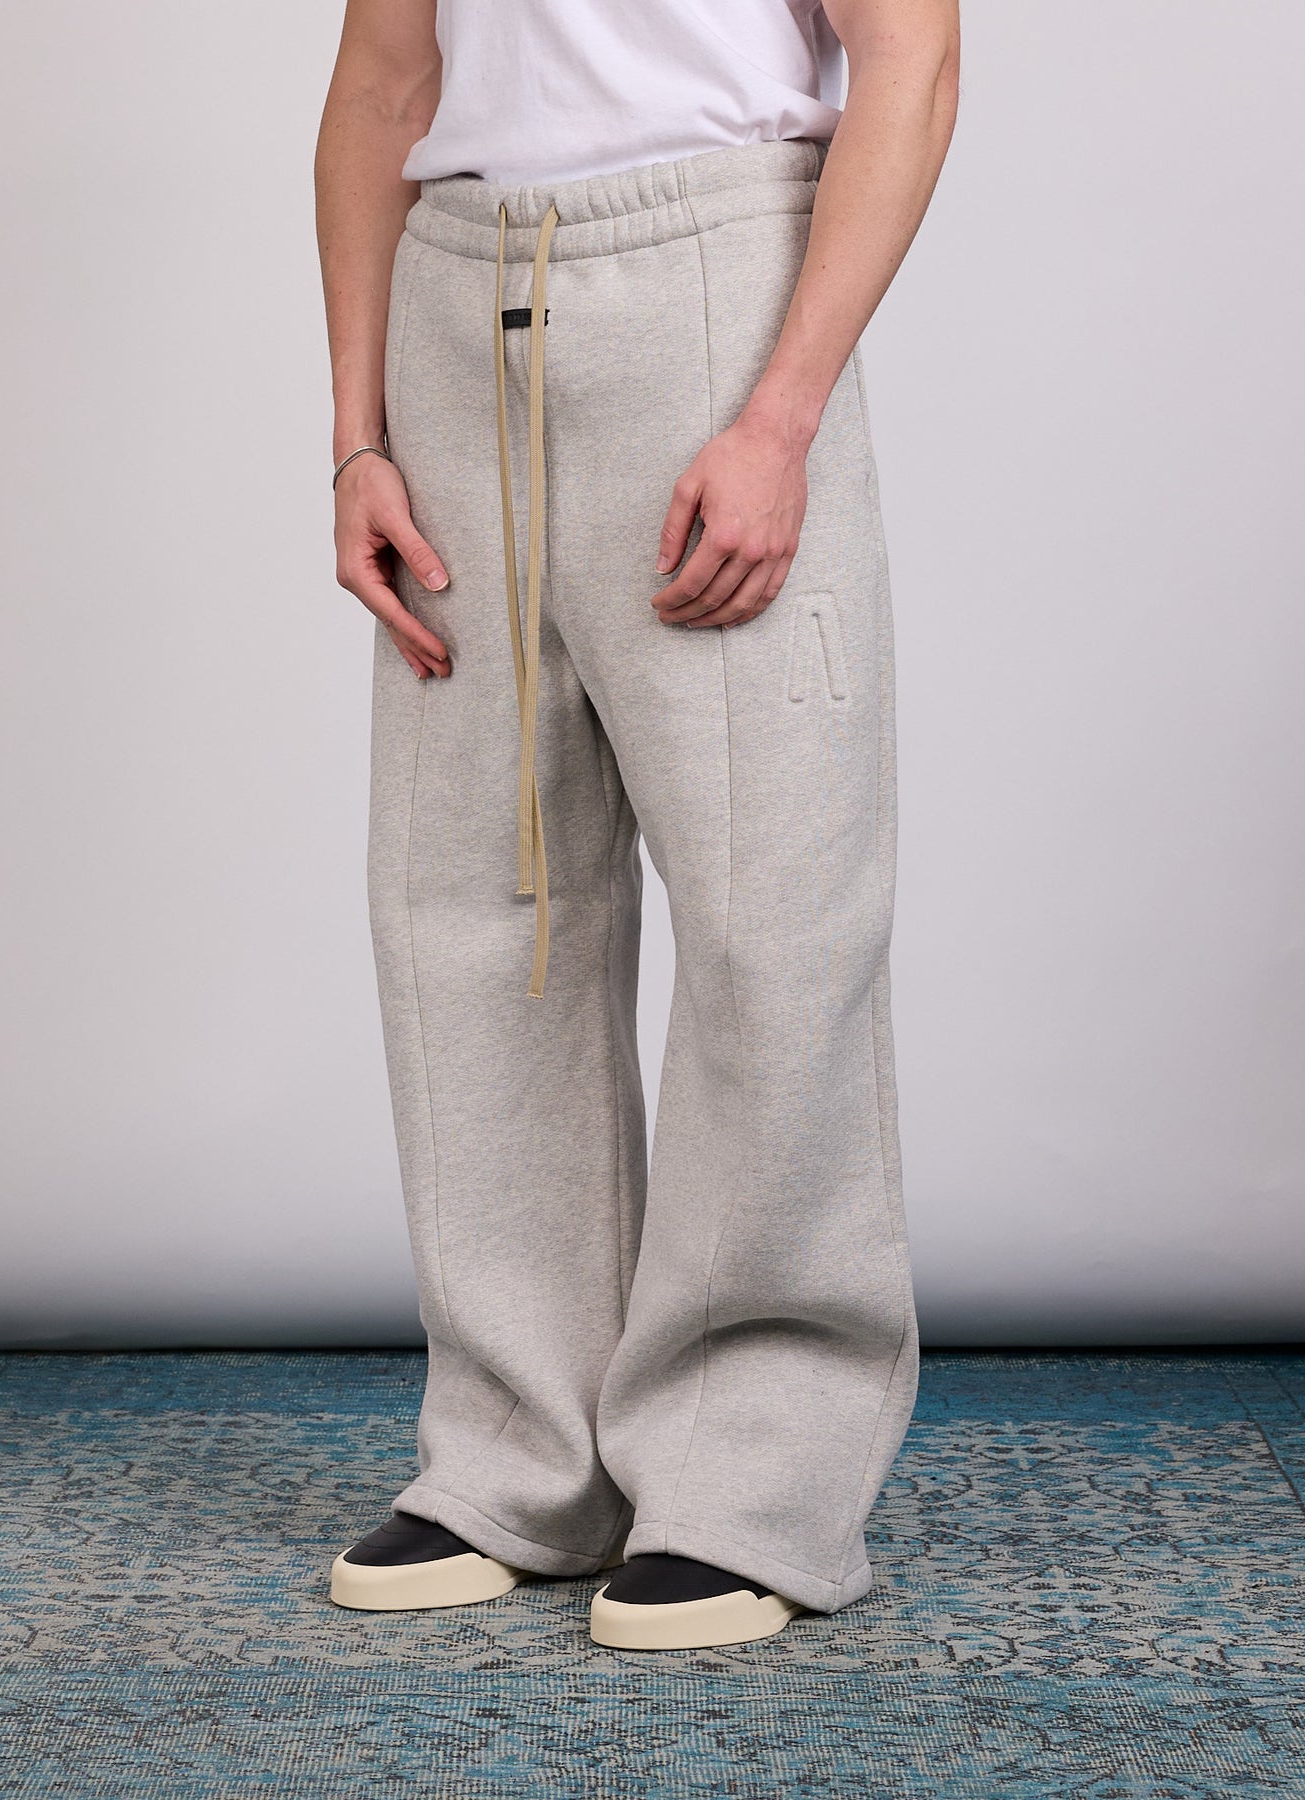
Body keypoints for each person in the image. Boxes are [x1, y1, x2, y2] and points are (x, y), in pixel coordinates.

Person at [315, 0, 958, 1651]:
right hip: (455, 299)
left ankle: (752, 1481)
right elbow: (384, 78)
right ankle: (515, 1453)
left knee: (773, 909)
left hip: (719, 294)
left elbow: (912, 54)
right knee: (472, 909)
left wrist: (782, 413)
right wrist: (359, 432)